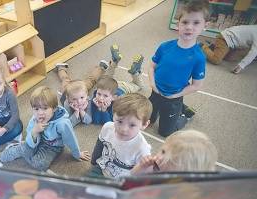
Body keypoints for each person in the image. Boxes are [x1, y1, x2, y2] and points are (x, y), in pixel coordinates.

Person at [0, 86, 91, 171]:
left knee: (39, 164)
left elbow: (70, 139)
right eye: (36, 109)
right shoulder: (36, 118)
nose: (40, 112)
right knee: (23, 149)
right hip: (36, 141)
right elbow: (30, 139)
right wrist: (34, 131)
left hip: (52, 147)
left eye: (45, 108)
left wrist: (77, 154)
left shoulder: (63, 123)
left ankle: (21, 149)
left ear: (54, 109)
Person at [148, 0, 208, 137]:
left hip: (174, 97)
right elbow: (152, 66)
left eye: (196, 23)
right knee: (148, 119)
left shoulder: (198, 57)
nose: (189, 27)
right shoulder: (165, 46)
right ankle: (156, 114)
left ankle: (185, 115)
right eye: (185, 22)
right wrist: (152, 83)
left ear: (205, 25)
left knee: (165, 132)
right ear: (178, 24)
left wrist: (175, 95)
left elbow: (196, 85)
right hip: (155, 91)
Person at [56, 45, 145, 126]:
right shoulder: (68, 103)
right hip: (73, 90)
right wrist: (77, 112)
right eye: (75, 99)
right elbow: (71, 123)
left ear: (87, 95)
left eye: (82, 98)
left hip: (117, 88)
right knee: (67, 80)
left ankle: (112, 64)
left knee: (93, 80)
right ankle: (61, 68)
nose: (79, 102)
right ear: (68, 99)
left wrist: (98, 109)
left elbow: (92, 120)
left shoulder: (90, 99)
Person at [88, 93, 152, 179]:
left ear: (144, 124)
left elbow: (143, 175)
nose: (124, 129)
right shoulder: (107, 127)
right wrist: (94, 162)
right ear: (113, 115)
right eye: (120, 121)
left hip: (121, 180)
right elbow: (99, 145)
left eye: (132, 125)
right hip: (102, 168)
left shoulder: (142, 149)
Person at [131, 129, 218, 174]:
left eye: (171, 160)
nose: (160, 158)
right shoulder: (152, 166)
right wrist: (141, 167)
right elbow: (131, 177)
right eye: (163, 151)